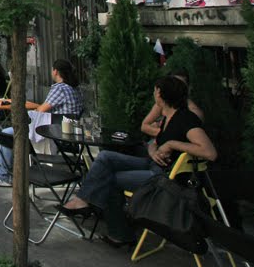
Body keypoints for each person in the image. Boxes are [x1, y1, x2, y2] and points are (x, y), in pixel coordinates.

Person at [59, 75, 217, 247]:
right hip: (152, 163)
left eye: (156, 91)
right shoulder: (167, 117)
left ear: (161, 96)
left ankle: (121, 234)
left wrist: (172, 144)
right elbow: (155, 143)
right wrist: (154, 150)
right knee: (105, 158)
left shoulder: (185, 119)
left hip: (164, 178)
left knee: (111, 180)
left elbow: (209, 152)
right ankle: (84, 200)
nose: (154, 94)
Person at [0, 59, 83, 187]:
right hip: (70, 133)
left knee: (6, 133)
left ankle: (3, 175)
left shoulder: (60, 88)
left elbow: (41, 110)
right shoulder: (76, 89)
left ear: (55, 71)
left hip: (53, 133)